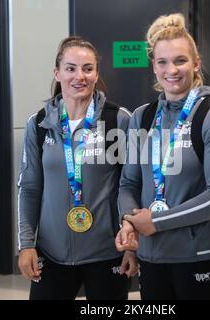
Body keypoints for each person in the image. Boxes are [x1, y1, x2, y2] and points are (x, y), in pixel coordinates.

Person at [115, 14, 210, 300]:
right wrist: (129, 225)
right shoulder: (141, 117)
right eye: (162, 62)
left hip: (199, 258)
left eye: (180, 60)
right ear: (154, 67)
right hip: (151, 259)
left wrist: (156, 221)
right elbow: (128, 185)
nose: (171, 70)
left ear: (196, 63)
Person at [17, 36, 137, 300]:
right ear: (57, 73)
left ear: (96, 73)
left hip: (108, 253)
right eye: (70, 68)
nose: (79, 76)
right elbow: (29, 189)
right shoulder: (38, 124)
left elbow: (130, 186)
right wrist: (26, 244)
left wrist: (131, 246)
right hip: (52, 253)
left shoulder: (118, 120)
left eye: (88, 68)